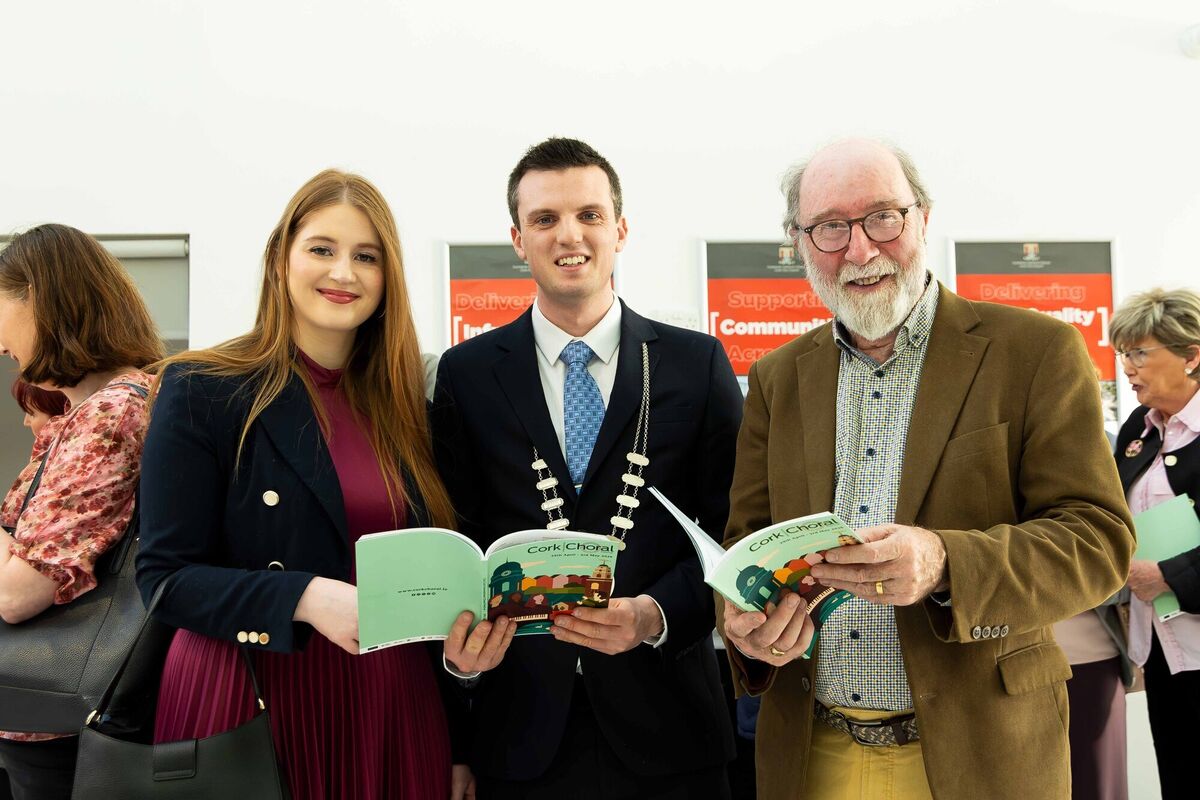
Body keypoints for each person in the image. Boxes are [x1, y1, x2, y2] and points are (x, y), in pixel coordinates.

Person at [717, 138, 1134, 800]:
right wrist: (741, 622)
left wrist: (947, 563)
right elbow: (745, 544)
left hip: (982, 756)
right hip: (810, 755)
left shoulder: (1036, 353)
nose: (859, 250)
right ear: (799, 243)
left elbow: (1097, 540)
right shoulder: (776, 380)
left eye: (882, 216)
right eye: (830, 227)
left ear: (924, 218)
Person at [136, 170, 480, 800]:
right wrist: (304, 598)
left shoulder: (412, 405)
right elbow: (164, 580)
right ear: (281, 259)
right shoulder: (201, 388)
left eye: (366, 256)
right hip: (253, 699)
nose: (343, 273)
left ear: (388, 277)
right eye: (322, 249)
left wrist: (459, 742)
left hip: (393, 702)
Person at [432, 137, 741, 797]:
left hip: (673, 734)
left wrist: (653, 614)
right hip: (520, 737)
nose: (568, 234)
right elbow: (455, 539)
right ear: (518, 239)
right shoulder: (468, 376)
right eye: (544, 219)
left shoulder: (696, 364)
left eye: (589, 215)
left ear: (620, 230)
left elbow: (730, 536)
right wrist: (457, 719)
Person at [0, 224, 162, 800]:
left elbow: (18, 591)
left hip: (62, 716)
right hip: (43, 707)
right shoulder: (81, 411)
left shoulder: (111, 413)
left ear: (40, 302)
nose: (1, 343)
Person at [1109, 288, 1200, 800]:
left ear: (1192, 355)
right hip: (1164, 649)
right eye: (1123, 353)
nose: (1128, 366)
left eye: (1140, 352)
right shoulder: (1136, 431)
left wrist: (1171, 575)